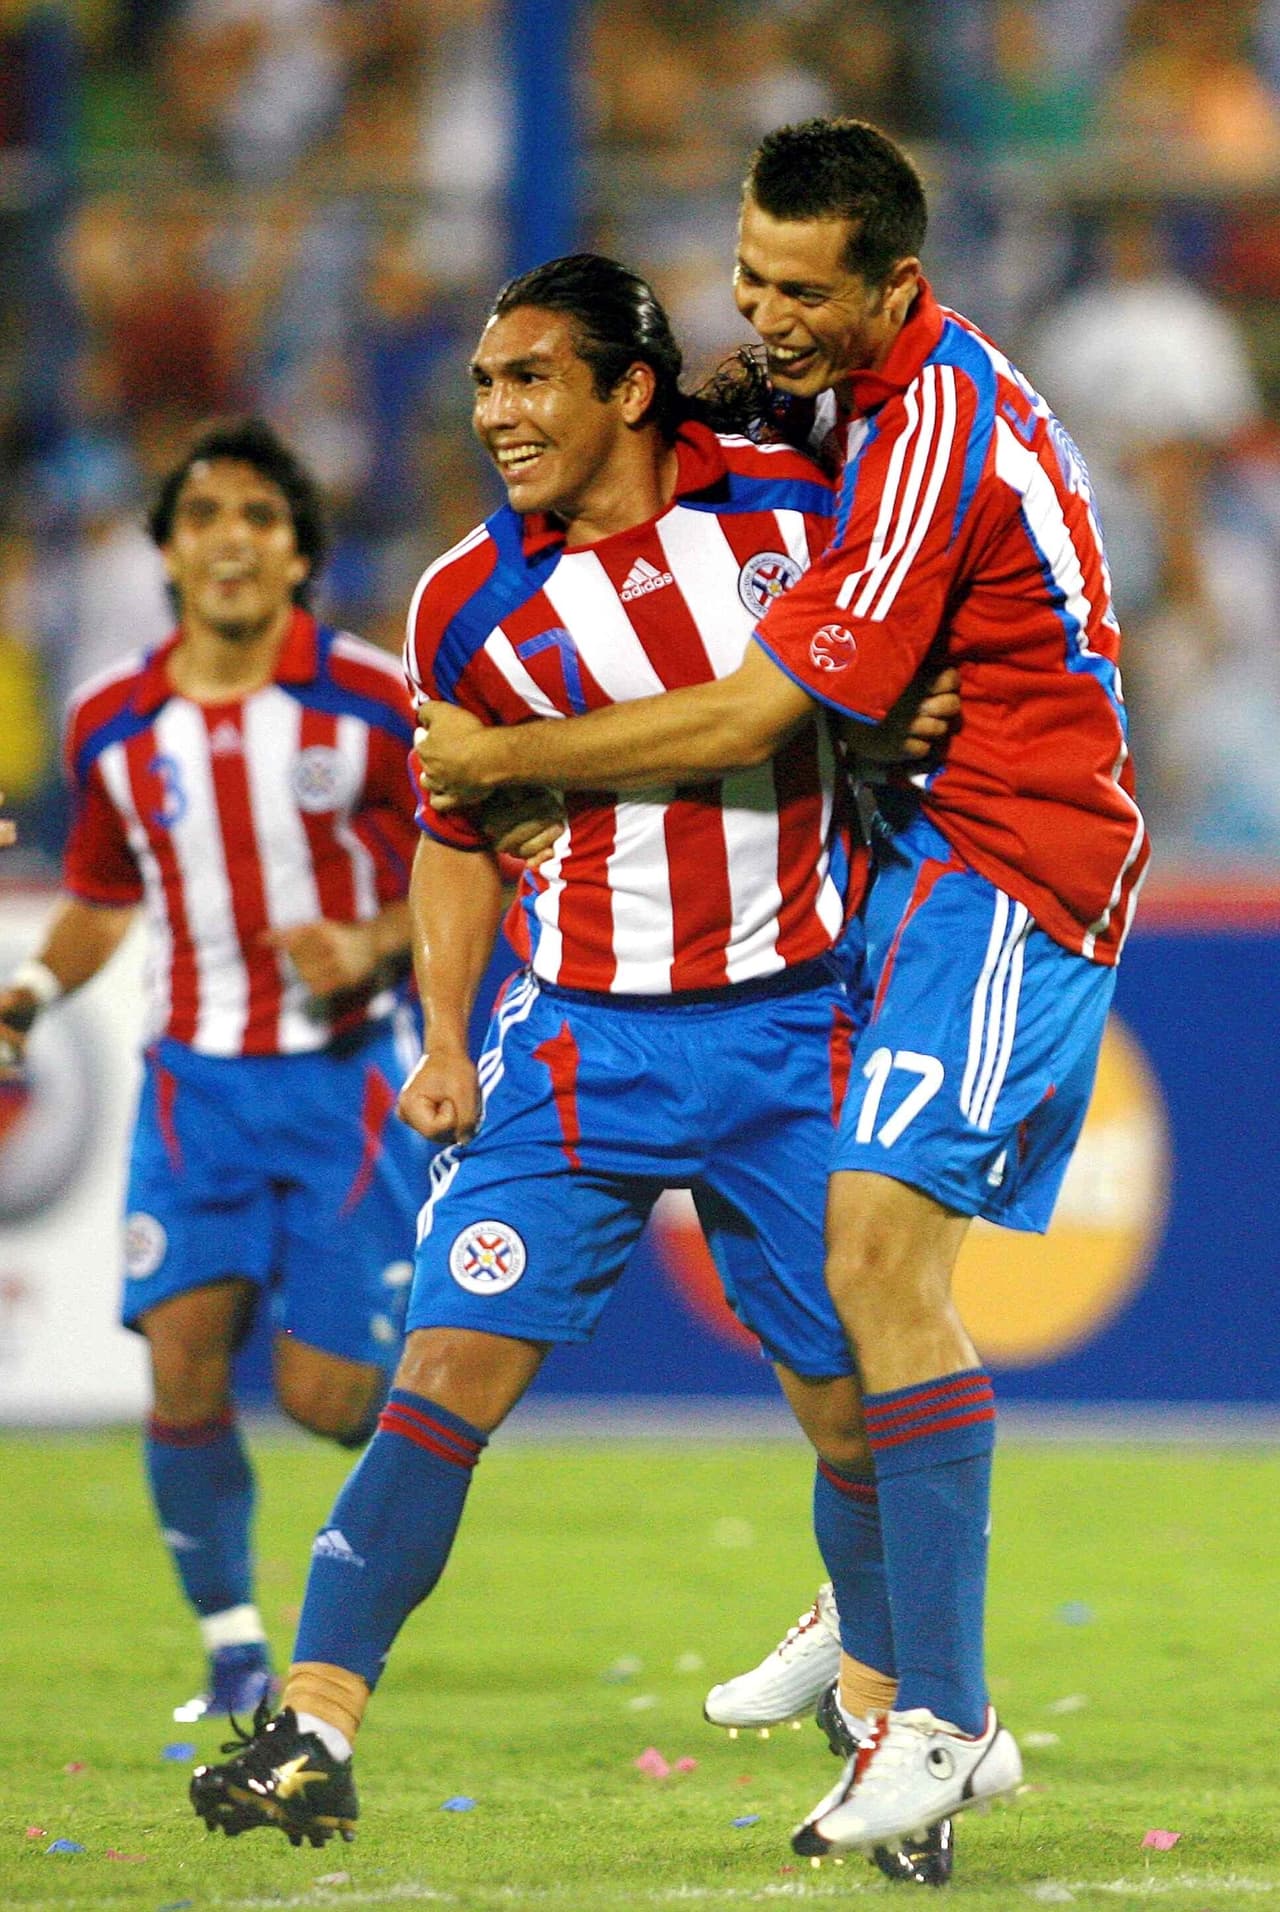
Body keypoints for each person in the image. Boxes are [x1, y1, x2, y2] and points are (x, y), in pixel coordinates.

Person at [416, 119, 1149, 1863]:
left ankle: (945, 1715)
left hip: (1015, 861)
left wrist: (513, 752)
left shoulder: (939, 426)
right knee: (848, 1262)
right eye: (749, 276)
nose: (769, 316)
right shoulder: (827, 391)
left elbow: (756, 713)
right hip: (911, 862)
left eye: (804, 289)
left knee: (881, 1246)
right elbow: (706, 433)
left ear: (899, 282)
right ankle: (887, 1612)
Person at [185, 252, 959, 1884]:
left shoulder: (788, 513)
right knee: (446, 1374)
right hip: (580, 1040)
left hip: (789, 1029)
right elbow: (455, 833)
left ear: (628, 389)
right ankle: (312, 1731)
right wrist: (450, 1035)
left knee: (848, 1417)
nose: (497, 414)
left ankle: (890, 1726)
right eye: (483, 385)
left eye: (531, 378)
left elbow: (778, 710)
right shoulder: (464, 596)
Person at [0, 418, 435, 1724]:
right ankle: (236, 1643)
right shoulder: (113, 721)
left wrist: (368, 941)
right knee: (181, 1365)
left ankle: (432, 1400)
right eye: (203, 517)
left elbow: (476, 864)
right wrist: (25, 993)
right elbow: (97, 897)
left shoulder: (370, 703)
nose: (231, 538)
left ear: (300, 552)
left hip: (343, 1085)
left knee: (327, 1402)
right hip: (192, 1088)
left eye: (259, 515)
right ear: (169, 554)